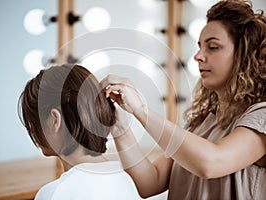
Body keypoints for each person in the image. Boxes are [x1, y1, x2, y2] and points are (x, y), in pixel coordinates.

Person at [101, 0, 266, 199]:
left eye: (212, 47)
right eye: (199, 47)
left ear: (245, 54)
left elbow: (211, 163)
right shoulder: (201, 124)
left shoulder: (261, 117)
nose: (198, 56)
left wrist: (141, 110)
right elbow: (150, 182)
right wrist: (120, 128)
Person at [18, 64, 140, 200]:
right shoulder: (128, 179)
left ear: (54, 120)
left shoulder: (53, 194)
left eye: (33, 121)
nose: (32, 130)